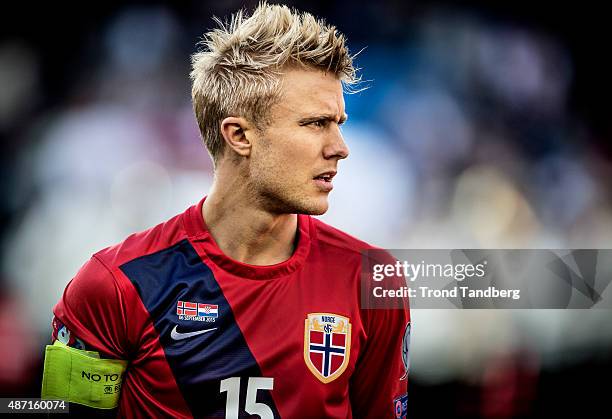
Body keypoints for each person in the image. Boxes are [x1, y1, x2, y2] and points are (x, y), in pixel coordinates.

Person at [41, 2, 410, 418]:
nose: (340, 148)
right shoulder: (114, 285)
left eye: (339, 123)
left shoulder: (373, 280)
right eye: (314, 124)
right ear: (238, 135)